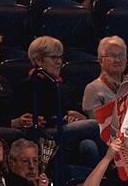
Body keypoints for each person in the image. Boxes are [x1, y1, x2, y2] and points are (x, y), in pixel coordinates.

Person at [18, 36, 102, 167]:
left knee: (88, 145)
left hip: (65, 129)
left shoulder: (61, 85)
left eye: (60, 58)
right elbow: (37, 116)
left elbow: (74, 110)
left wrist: (76, 116)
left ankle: (96, 183)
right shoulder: (29, 84)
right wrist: (64, 116)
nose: (59, 62)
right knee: (93, 125)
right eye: (53, 58)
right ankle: (114, 161)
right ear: (39, 60)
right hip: (45, 133)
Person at [82, 36, 128, 131]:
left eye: (121, 55)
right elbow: (98, 127)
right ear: (101, 61)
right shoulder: (93, 88)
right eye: (112, 55)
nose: (117, 60)